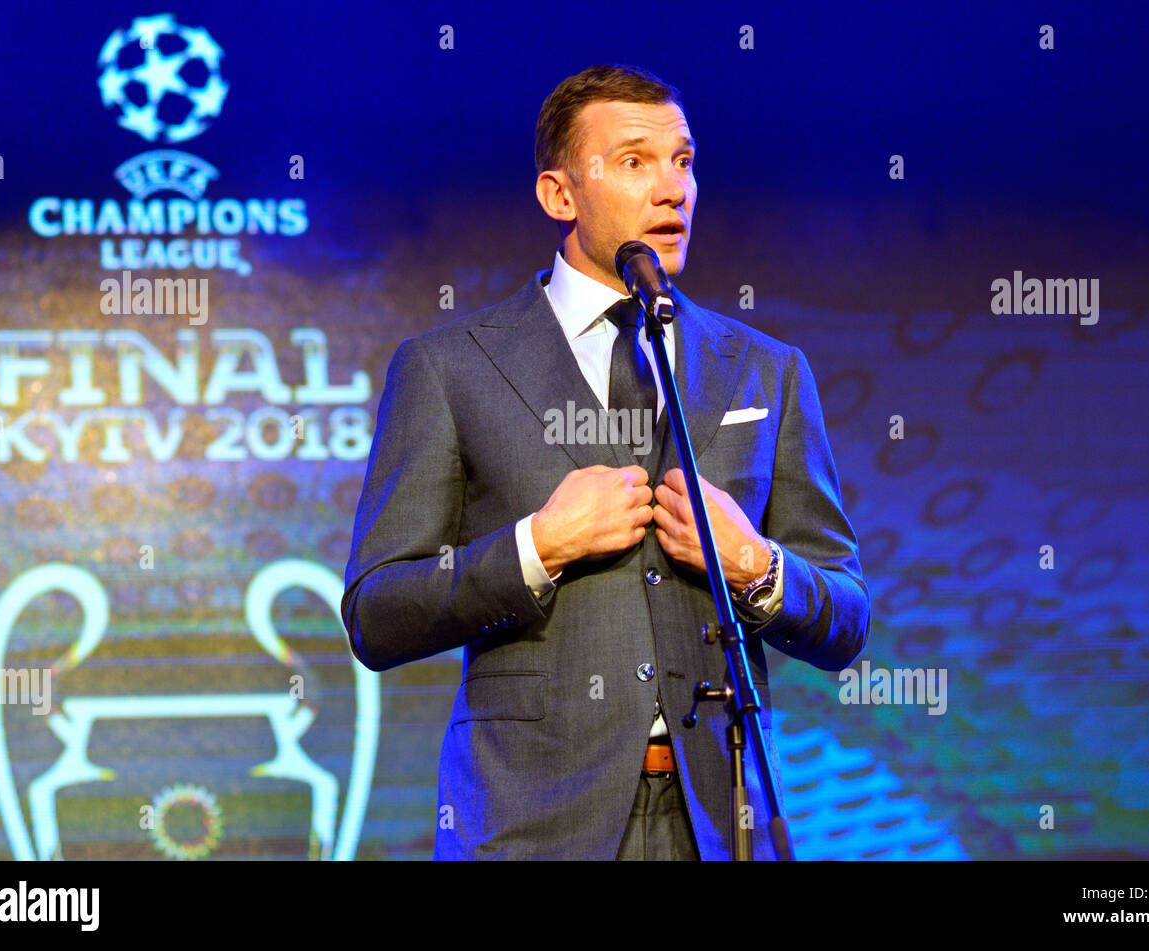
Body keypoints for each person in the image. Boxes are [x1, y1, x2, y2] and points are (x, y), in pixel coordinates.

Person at [341, 64, 870, 860]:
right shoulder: (449, 367)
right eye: (634, 161)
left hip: (723, 819)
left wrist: (755, 564)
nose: (672, 191)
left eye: (683, 161)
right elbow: (376, 613)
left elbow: (846, 617)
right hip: (534, 825)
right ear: (560, 194)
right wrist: (537, 547)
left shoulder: (767, 368)